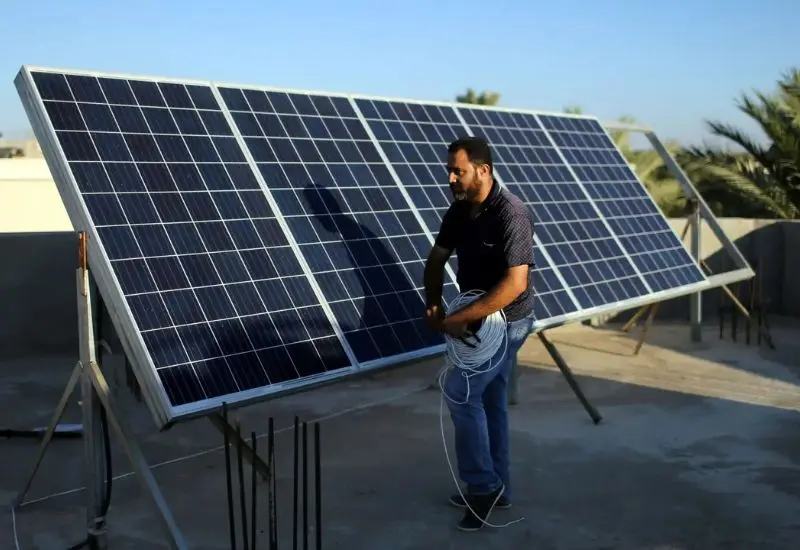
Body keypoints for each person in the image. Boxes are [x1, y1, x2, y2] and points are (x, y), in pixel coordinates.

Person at [423, 136, 535, 531]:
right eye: (449, 171)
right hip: (477, 316)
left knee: (459, 391)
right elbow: (436, 259)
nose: (451, 178)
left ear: (483, 170)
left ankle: (483, 486)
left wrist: (461, 319)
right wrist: (434, 302)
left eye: (458, 171)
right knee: (489, 401)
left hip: (509, 323)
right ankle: (499, 487)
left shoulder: (512, 213)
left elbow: (516, 283)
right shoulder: (458, 211)